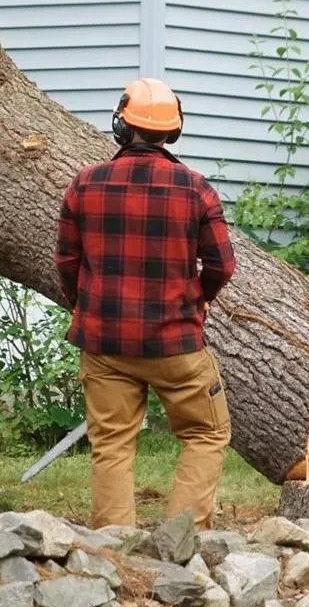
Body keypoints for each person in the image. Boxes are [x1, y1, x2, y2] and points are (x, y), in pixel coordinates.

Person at [55, 78, 236, 530]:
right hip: (175, 343)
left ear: (121, 123)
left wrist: (87, 307)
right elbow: (221, 265)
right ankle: (183, 540)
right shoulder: (196, 189)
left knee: (112, 443)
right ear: (173, 132)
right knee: (207, 432)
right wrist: (199, 298)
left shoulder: (85, 183)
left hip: (104, 343)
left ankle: (113, 552)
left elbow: (67, 260)